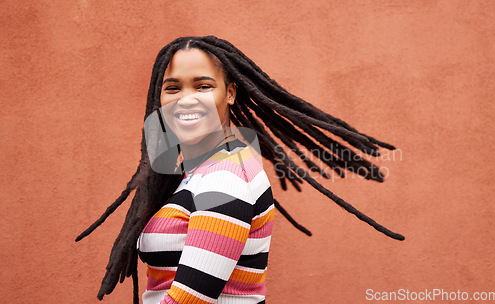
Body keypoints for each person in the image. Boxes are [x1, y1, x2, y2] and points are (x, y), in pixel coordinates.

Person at [76, 36, 404, 304]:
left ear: (230, 93)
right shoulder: (201, 170)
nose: (186, 99)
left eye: (203, 86)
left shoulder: (226, 179)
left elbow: (187, 302)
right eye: (173, 88)